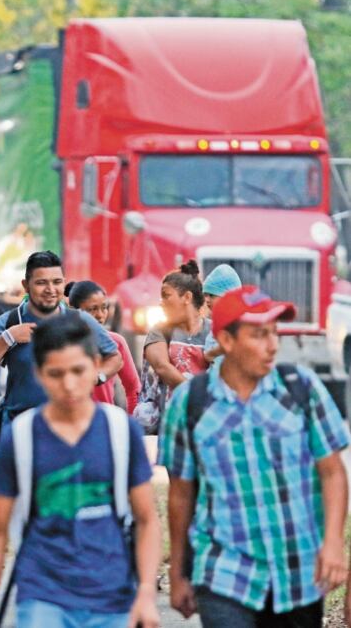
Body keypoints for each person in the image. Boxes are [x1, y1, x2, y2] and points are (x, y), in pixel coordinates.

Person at [161, 286, 348, 627]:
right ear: (227, 342)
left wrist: (334, 544)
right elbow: (181, 493)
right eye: (259, 335)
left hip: (297, 572)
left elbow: (333, 472)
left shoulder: (301, 389)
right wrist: (178, 573)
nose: (273, 345)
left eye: (274, 333)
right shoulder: (191, 404)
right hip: (224, 574)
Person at [0, 313, 160, 628]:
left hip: (113, 597)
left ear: (96, 366)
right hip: (43, 598)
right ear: (38, 373)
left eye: (78, 371)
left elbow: (146, 519)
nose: (69, 384)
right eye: (56, 373)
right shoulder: (21, 437)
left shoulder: (120, 431)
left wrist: (145, 592)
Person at [0, 251, 122, 449]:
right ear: (26, 285)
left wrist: (97, 377)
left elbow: (114, 357)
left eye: (57, 282)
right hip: (20, 434)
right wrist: (8, 337)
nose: (51, 289)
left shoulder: (80, 321)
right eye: (41, 283)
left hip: (70, 432)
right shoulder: (11, 322)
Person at [138, 261, 211, 431]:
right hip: (170, 425)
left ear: (187, 297)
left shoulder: (213, 331)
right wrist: (197, 398)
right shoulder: (159, 331)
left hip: (206, 424)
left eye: (166, 295)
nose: (161, 302)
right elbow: (162, 367)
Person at [66, 280, 141, 413]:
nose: (100, 315)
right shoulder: (62, 342)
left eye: (104, 308)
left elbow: (133, 388)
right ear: (74, 311)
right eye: (92, 309)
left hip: (104, 422)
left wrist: (132, 424)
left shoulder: (116, 342)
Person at [201, 263, 242, 363]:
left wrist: (211, 354)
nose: (207, 300)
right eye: (205, 295)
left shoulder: (240, 325)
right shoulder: (216, 324)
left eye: (211, 295)